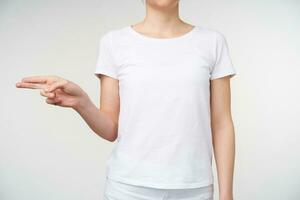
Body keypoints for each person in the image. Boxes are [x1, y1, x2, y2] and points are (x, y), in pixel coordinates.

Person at [16, 0, 237, 199]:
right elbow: (111, 129)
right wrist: (80, 102)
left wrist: (226, 194)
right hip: (129, 188)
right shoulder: (114, 43)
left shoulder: (212, 42)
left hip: (194, 189)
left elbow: (221, 124)